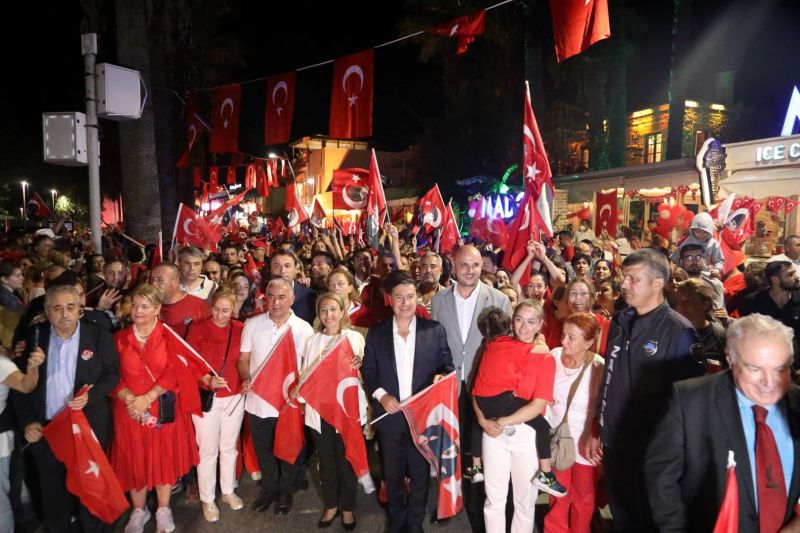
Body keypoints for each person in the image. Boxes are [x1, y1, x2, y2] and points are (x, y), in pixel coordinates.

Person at [645, 314, 800, 532]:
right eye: (754, 369)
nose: (769, 381)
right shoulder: (689, 401)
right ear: (731, 360)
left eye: (779, 369)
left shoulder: (797, 404)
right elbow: (661, 481)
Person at [587, 248, 705, 532]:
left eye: (632, 279)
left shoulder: (679, 332)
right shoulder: (620, 322)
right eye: (624, 278)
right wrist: (598, 427)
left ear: (657, 283)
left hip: (654, 453)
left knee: (649, 522)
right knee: (622, 516)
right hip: (616, 446)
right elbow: (610, 377)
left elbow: (693, 401)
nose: (623, 284)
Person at [14, 284, 120, 533]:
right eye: (57, 308)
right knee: (54, 496)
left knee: (91, 493)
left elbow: (112, 375)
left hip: (87, 430)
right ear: (47, 312)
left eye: (70, 307)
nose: (65, 315)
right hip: (48, 431)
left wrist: (90, 396)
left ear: (80, 310)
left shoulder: (98, 335)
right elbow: (19, 385)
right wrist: (28, 422)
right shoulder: (34, 336)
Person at [361, 270, 454, 533]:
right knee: (392, 474)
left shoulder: (434, 331)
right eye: (399, 297)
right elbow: (368, 371)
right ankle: (396, 522)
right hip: (389, 417)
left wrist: (441, 376)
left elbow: (446, 366)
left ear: (417, 299)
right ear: (390, 299)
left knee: (420, 474)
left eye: (410, 296)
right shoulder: (377, 333)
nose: (405, 302)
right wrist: (382, 395)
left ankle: (415, 524)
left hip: (421, 418)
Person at [431, 245, 511, 532]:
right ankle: (453, 500)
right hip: (450, 384)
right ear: (453, 266)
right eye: (464, 265)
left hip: (485, 387)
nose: (470, 270)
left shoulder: (499, 300)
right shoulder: (438, 301)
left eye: (475, 265)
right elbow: (435, 343)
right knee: (453, 447)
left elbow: (507, 346)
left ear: (482, 267)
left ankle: (481, 511)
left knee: (483, 450)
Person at [471, 300, 556, 532]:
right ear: (512, 320)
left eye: (531, 321)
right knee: (494, 499)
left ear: (540, 324)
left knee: (524, 503)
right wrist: (482, 421)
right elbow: (477, 389)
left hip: (526, 436)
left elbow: (538, 405)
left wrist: (503, 421)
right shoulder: (495, 345)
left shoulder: (545, 358)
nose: (524, 327)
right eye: (519, 319)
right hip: (493, 434)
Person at [238, 277, 314, 515]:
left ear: (292, 299)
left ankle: (285, 492)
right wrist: (244, 377)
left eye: (282, 297)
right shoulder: (252, 324)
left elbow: (309, 368)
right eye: (271, 296)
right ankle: (269, 489)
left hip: (288, 403)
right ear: (265, 298)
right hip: (258, 401)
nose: (276, 302)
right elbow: (243, 359)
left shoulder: (304, 329)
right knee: (264, 450)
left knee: (288, 449)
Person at [297, 292, 366, 530]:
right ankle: (330, 504)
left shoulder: (354, 337)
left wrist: (360, 364)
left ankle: (347, 507)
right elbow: (305, 376)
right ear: (318, 314)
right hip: (320, 410)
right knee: (326, 461)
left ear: (342, 312)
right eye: (324, 310)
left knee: (347, 460)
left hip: (346, 411)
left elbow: (364, 370)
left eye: (333, 309)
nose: (329, 315)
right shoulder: (311, 341)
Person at [185, 287, 245, 522]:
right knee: (208, 450)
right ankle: (208, 498)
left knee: (229, 447)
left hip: (234, 396)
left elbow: (247, 357)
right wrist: (206, 379)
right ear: (210, 307)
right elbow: (188, 363)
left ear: (233, 309)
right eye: (216, 310)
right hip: (207, 398)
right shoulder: (197, 329)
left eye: (226, 310)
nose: (220, 315)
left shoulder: (240, 329)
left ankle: (228, 490)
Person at [543, 312, 605, 533]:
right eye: (564, 335)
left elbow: (603, 407)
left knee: (584, 498)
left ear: (588, 342)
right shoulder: (553, 356)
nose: (563, 341)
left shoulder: (598, 366)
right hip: (556, 438)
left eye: (571, 337)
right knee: (557, 493)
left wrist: (596, 436)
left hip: (584, 441)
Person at [673, 279, 727, 369]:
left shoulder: (719, 334)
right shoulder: (671, 332)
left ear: (706, 304)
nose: (682, 306)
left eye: (689, 301)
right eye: (679, 301)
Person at [269, 250, 317, 324]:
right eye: (277, 266)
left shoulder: (310, 296)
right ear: (271, 269)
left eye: (287, 266)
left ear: (296, 269)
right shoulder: (260, 296)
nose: (282, 271)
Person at [678, 243, 725, 309]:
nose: (694, 261)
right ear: (681, 261)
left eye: (698, 257)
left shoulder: (714, 283)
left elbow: (719, 312)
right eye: (689, 257)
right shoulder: (675, 283)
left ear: (704, 261)